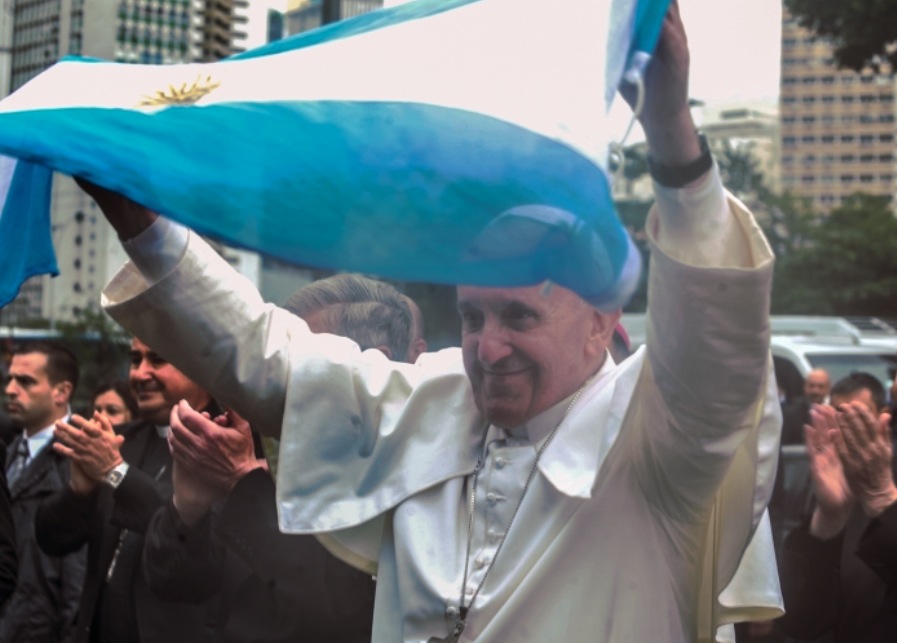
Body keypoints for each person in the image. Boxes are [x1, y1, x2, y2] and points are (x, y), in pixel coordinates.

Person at [86, 4, 781, 640]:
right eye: (473, 315)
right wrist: (143, 228)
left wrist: (671, 134)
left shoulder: (654, 442)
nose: (489, 347)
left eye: (519, 316)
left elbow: (715, 356)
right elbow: (271, 357)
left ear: (600, 321)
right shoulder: (436, 399)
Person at [143, 274, 419, 643]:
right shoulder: (259, 449)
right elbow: (173, 583)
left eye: (303, 363)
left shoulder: (413, 478)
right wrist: (188, 507)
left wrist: (242, 485)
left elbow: (343, 615)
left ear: (374, 364)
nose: (285, 379)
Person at [35, 337, 220, 643]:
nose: (140, 374)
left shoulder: (226, 446)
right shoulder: (122, 440)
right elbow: (51, 539)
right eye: (135, 360)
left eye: (157, 359)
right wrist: (78, 492)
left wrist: (117, 473)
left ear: (199, 369)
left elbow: (189, 533)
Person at [778, 372, 897, 642]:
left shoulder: (882, 483)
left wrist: (882, 499)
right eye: (838, 416)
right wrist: (829, 520)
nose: (846, 429)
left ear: (884, 417)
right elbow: (800, 622)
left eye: (858, 418)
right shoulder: (826, 476)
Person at [1, 341, 86, 643]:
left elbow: (78, 577)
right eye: (10, 379)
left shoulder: (80, 459)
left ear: (61, 392)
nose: (11, 390)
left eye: (25, 381)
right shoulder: (10, 452)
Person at [781, 367, 831, 445]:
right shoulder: (791, 413)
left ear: (828, 389)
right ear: (805, 387)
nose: (815, 391)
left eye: (820, 386)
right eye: (811, 386)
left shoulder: (834, 411)